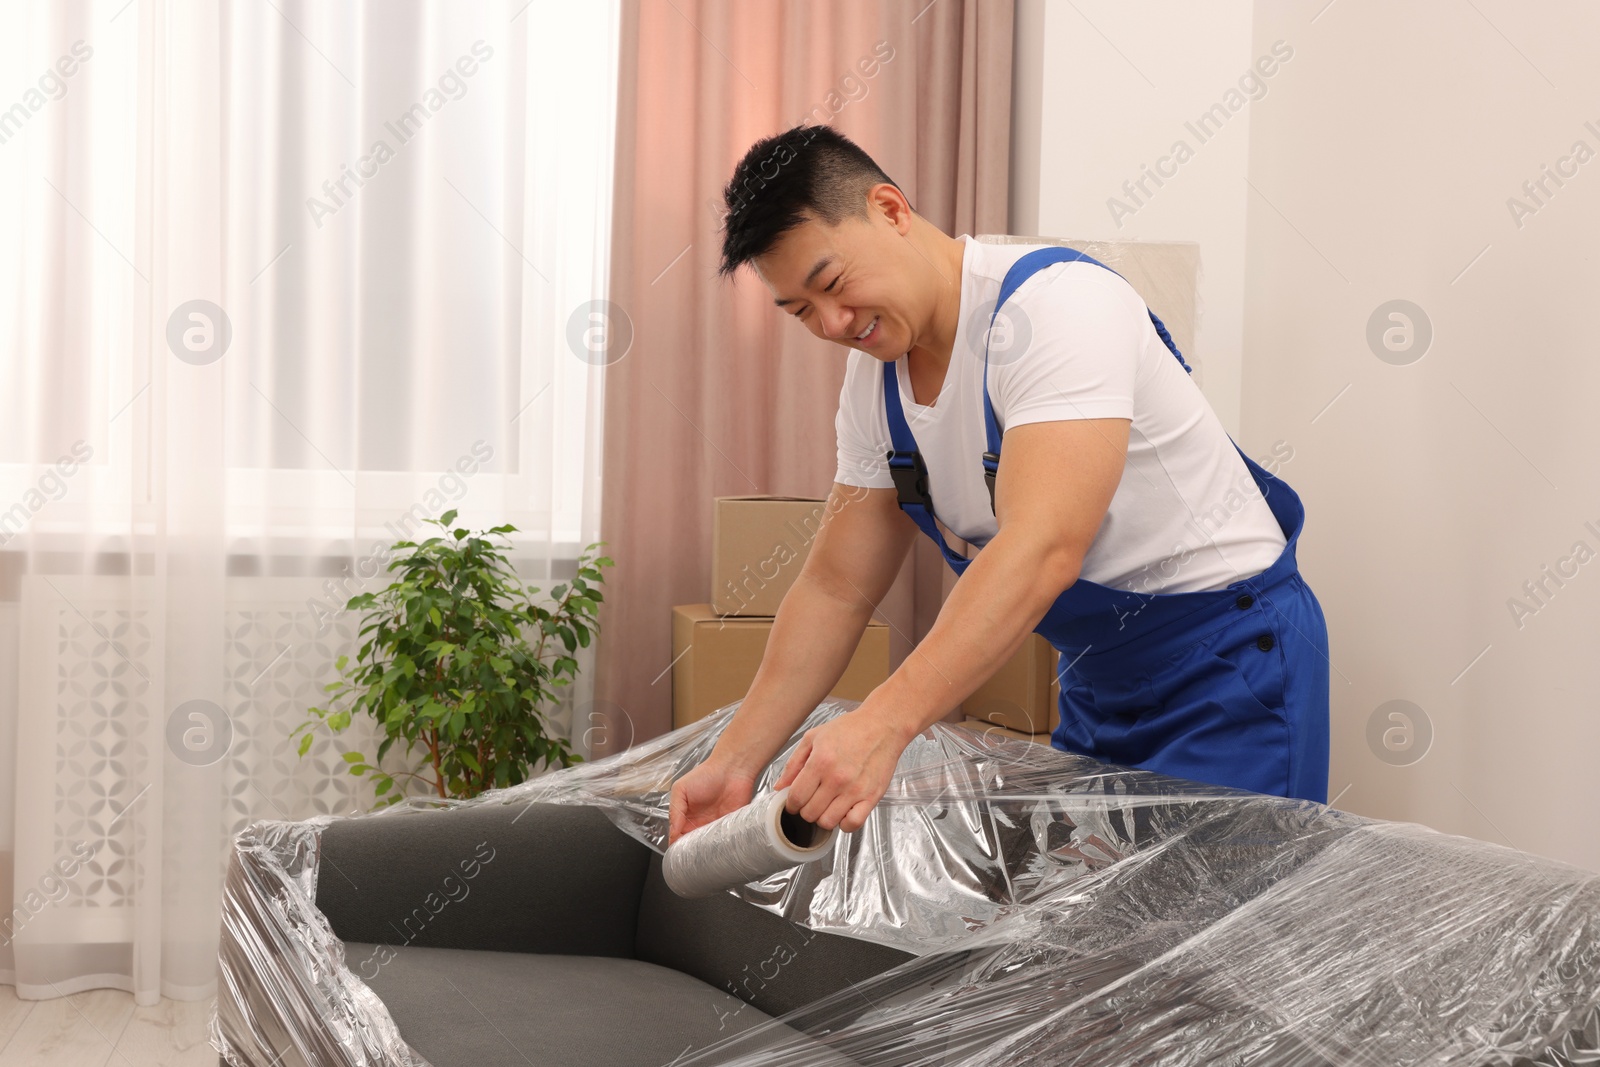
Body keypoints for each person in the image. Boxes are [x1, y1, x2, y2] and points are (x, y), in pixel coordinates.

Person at [667, 124, 1329, 846]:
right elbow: (836, 587)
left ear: (890, 209)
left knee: (1221, 937)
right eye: (799, 311)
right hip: (1099, 676)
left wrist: (882, 725)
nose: (831, 323)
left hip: (1230, 663)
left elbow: (1043, 546)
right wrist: (734, 764)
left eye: (831, 284)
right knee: (1102, 930)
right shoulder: (874, 389)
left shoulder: (1055, 308)